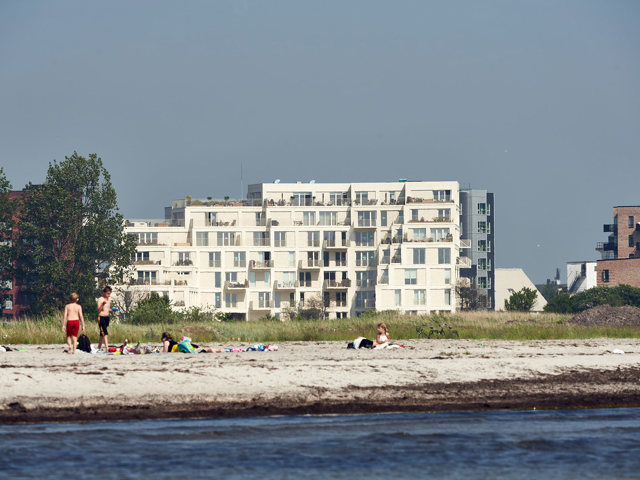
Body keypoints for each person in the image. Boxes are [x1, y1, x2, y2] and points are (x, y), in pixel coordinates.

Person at [97, 286, 112, 352]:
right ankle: (107, 347)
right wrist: (102, 304)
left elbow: (108, 309)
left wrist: (112, 310)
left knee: (102, 333)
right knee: (105, 332)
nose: (109, 295)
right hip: (101, 317)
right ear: (104, 293)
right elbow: (98, 310)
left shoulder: (109, 300)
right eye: (108, 294)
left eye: (109, 294)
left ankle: (99, 347)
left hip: (107, 317)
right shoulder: (100, 299)